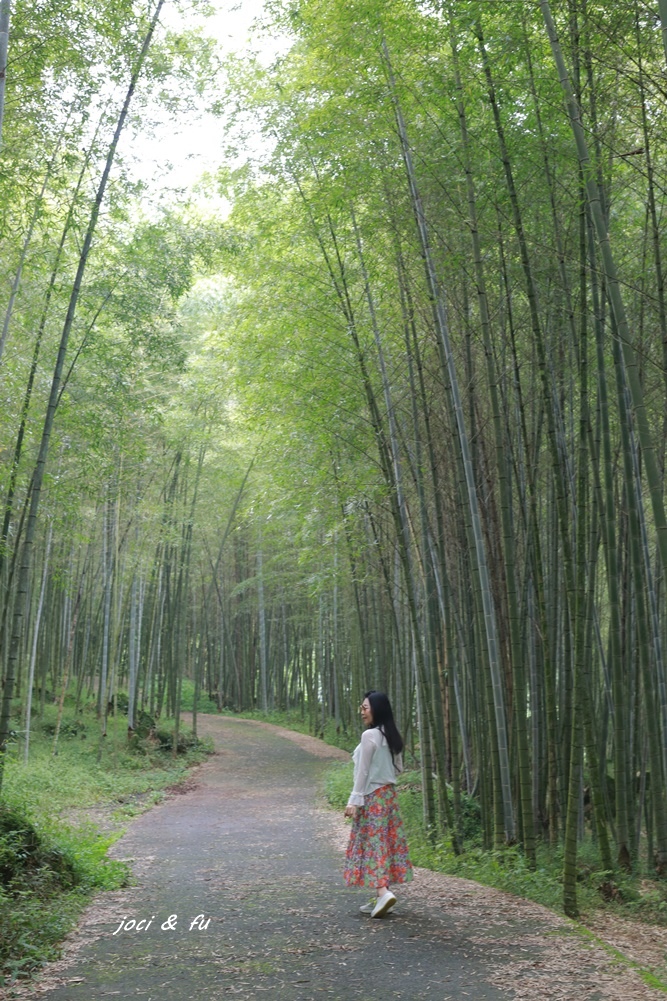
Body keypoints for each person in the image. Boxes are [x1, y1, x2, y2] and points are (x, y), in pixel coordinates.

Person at [343, 690, 413, 917]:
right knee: (386, 842)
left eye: (365, 707)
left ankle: (383, 893)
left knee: (374, 844)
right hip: (389, 797)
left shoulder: (370, 736)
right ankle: (380, 898)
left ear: (377, 708)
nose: (361, 712)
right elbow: (398, 769)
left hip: (372, 797)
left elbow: (362, 772)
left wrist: (354, 799)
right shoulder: (390, 734)